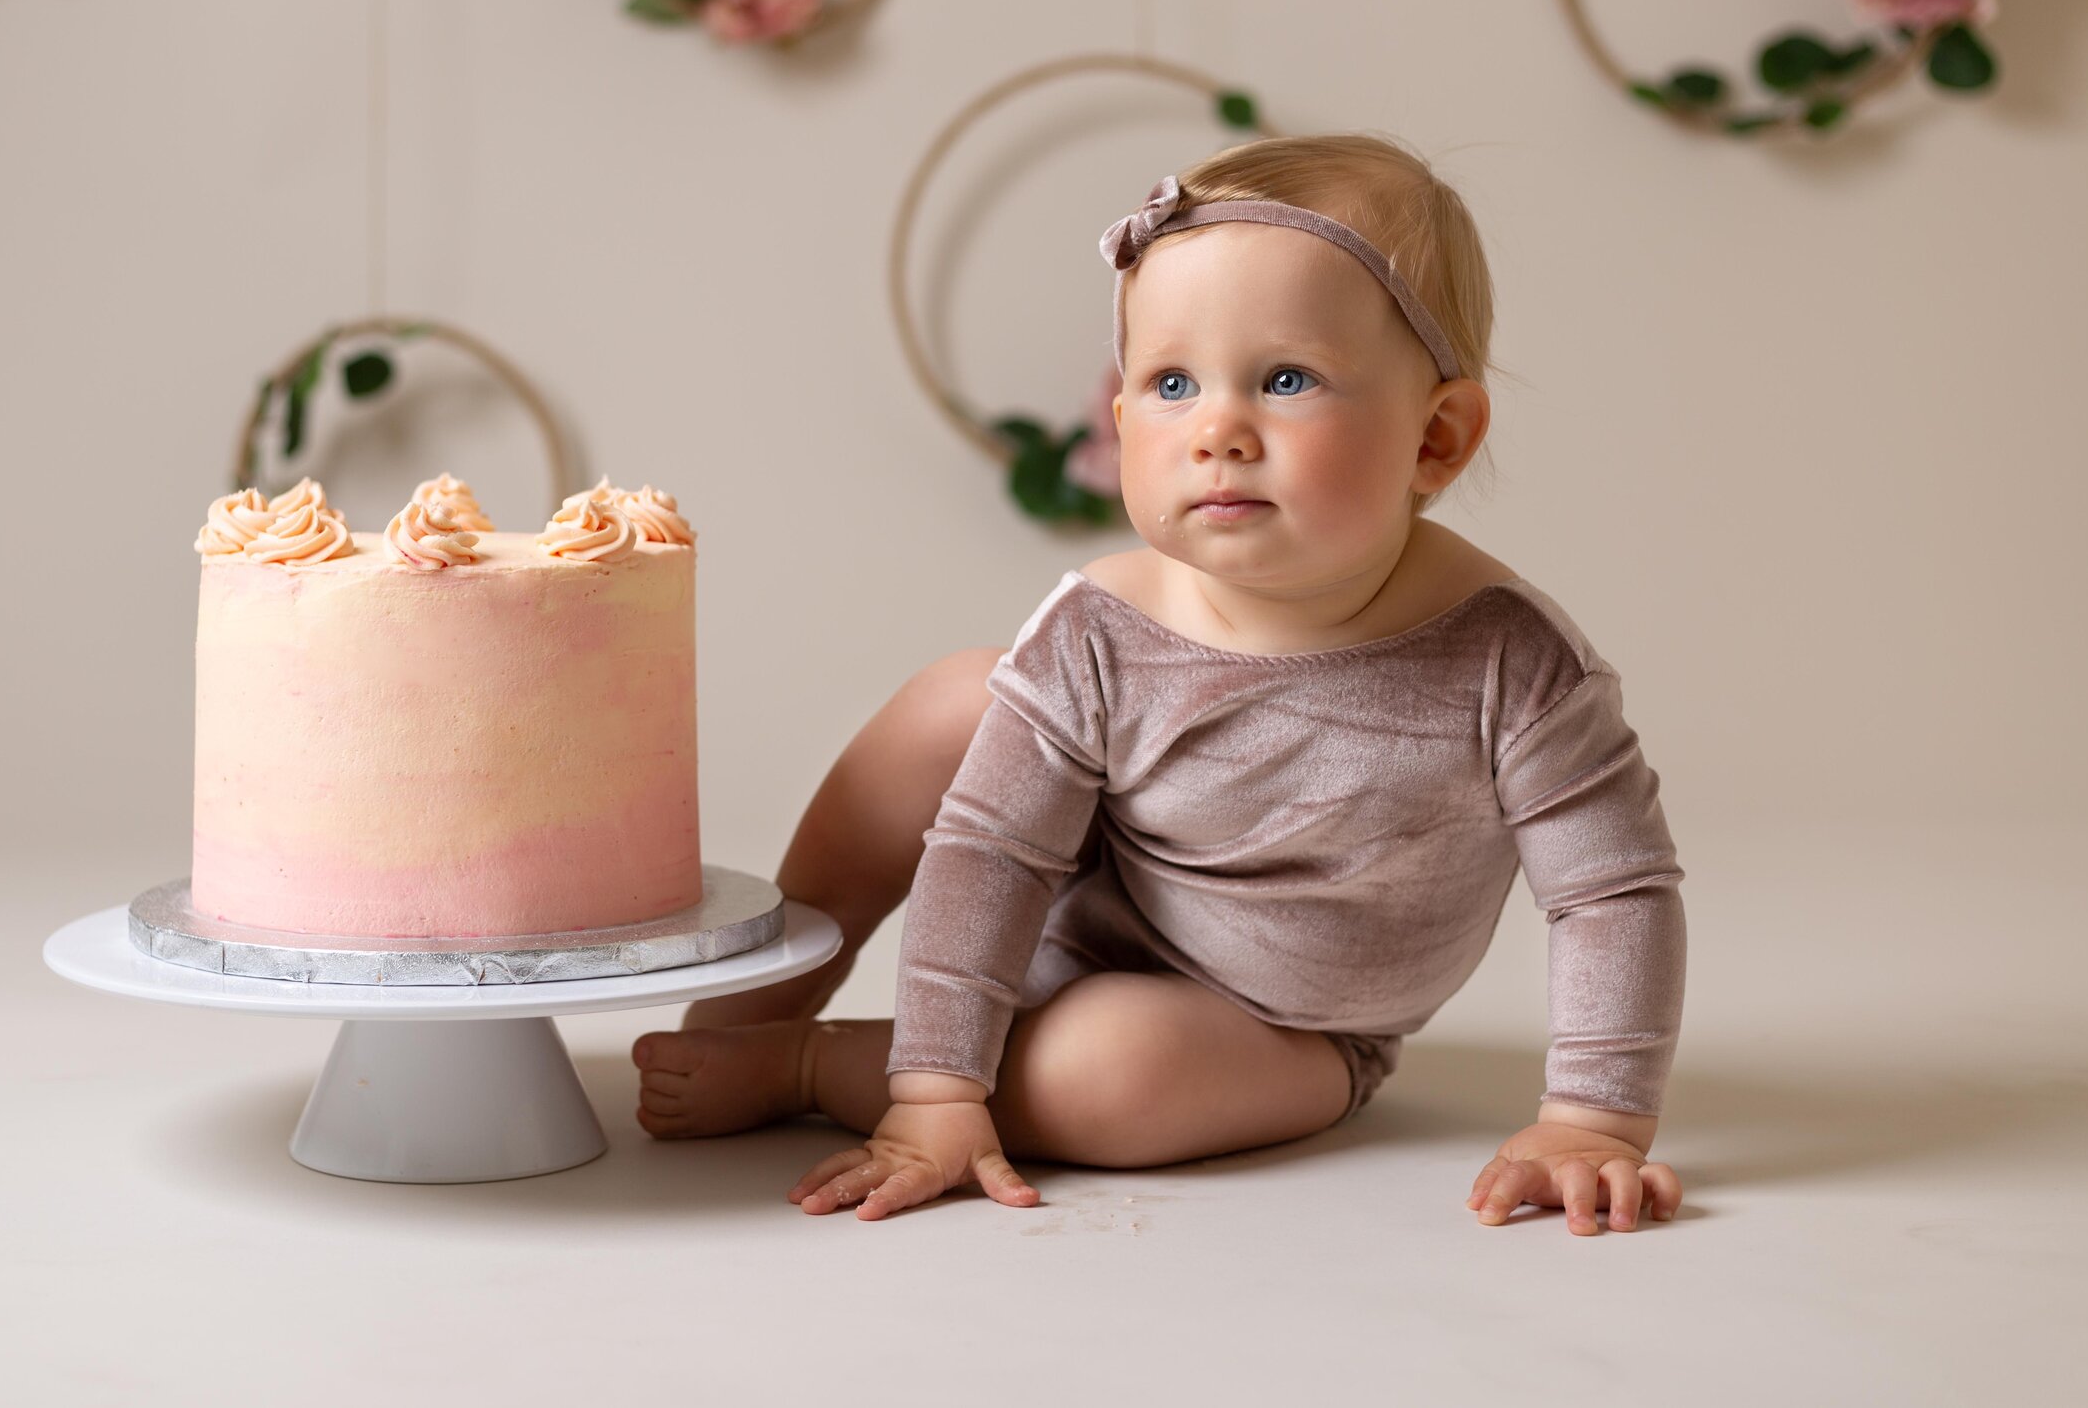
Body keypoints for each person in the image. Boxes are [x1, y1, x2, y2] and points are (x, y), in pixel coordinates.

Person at [633, 134, 1687, 1235]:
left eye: (1286, 379)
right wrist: (935, 1092)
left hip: (1280, 1031)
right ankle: (762, 994)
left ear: (1436, 438)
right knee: (957, 697)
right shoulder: (1102, 624)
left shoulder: (1507, 661)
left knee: (1116, 1074)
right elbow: (990, 854)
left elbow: (1609, 890)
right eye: (1172, 383)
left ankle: (810, 1061)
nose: (1218, 431)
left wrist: (1593, 1118)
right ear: (1125, 421)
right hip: (1065, 908)